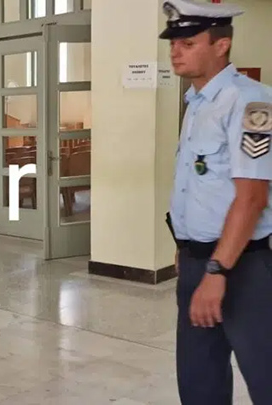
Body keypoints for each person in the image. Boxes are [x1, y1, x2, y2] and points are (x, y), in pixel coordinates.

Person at [161, 0, 272, 403]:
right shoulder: (196, 104)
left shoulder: (253, 103)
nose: (175, 52)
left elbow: (252, 197)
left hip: (240, 267)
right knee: (198, 380)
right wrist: (185, 247)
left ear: (221, 45)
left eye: (188, 43)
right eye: (173, 44)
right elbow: (200, 185)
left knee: (265, 377)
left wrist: (217, 270)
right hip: (197, 262)